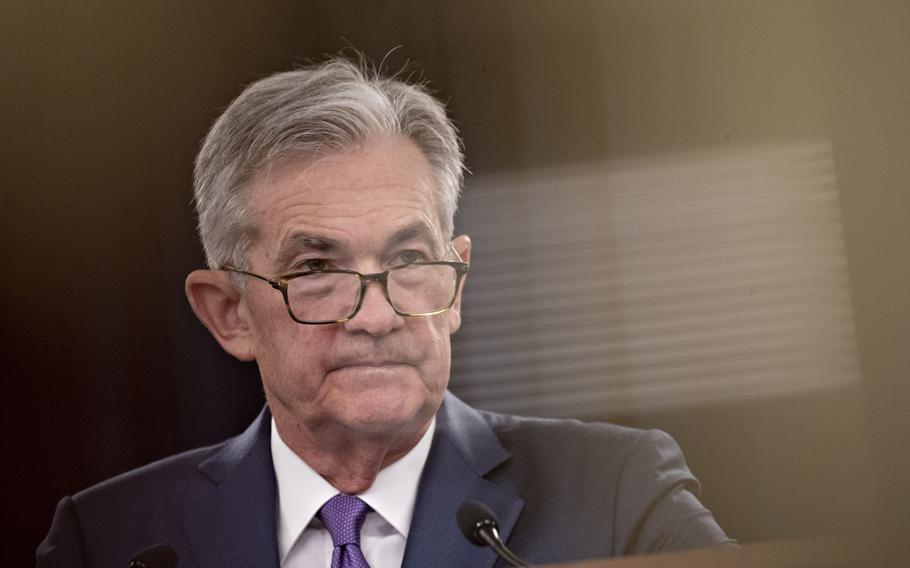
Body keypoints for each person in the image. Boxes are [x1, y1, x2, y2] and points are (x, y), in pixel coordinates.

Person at [37, 55, 733, 568]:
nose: (375, 317)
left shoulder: (616, 495)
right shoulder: (108, 539)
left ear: (455, 286)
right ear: (230, 313)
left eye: (407, 262)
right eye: (317, 270)